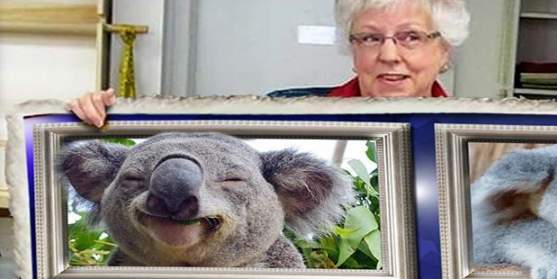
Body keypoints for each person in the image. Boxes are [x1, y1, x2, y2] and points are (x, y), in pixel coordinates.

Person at [67, 0, 471, 126]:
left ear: (445, 50)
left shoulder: (483, 136)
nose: (388, 54)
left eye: (411, 37)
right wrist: (98, 121)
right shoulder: (285, 113)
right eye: (370, 38)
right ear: (353, 50)